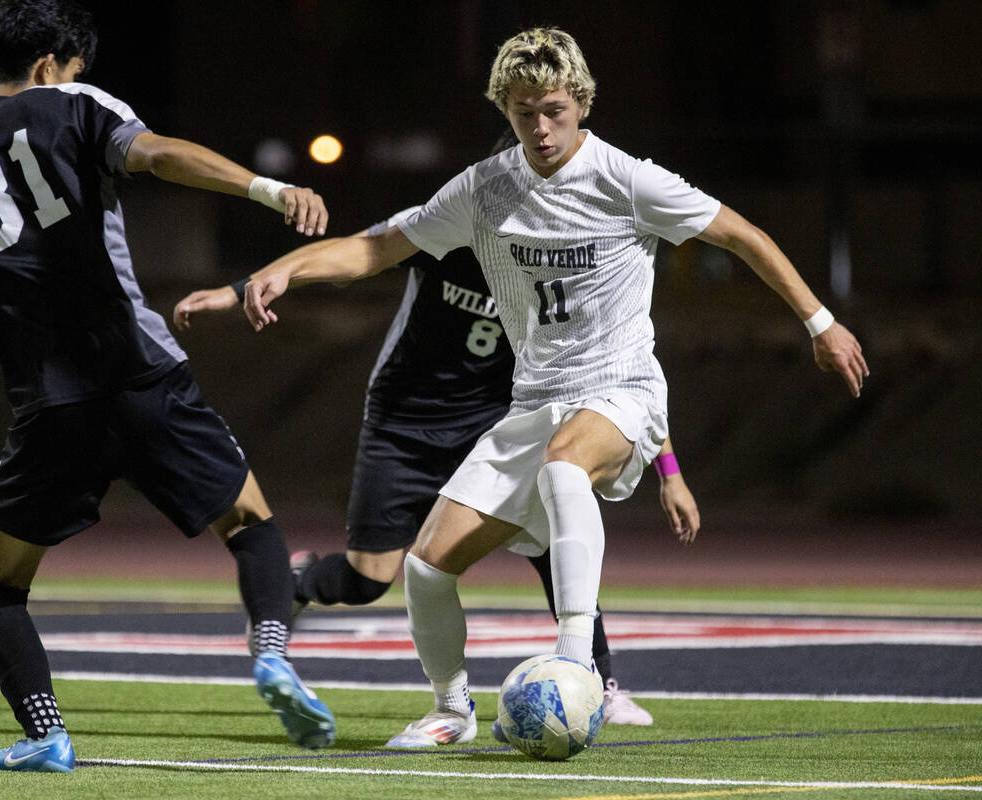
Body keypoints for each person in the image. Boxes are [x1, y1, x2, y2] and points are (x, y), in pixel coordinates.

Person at [233, 26, 868, 748]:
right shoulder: (484, 188)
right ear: (505, 108)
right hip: (532, 403)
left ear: (583, 104)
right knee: (425, 567)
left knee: (566, 469)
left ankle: (578, 669)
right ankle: (451, 711)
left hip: (620, 388)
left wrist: (821, 324)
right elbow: (378, 247)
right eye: (525, 110)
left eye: (555, 109)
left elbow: (742, 235)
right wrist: (287, 268)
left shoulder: (628, 180)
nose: (540, 126)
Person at [0, 0, 335, 771]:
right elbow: (157, 156)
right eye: (72, 67)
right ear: (47, 65)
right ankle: (268, 654)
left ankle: (45, 734)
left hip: (49, 402)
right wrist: (265, 190)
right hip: (140, 373)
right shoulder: (73, 106)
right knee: (253, 526)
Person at [175, 202, 699, 730]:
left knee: (552, 541)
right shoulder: (454, 218)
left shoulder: (563, 251)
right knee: (369, 578)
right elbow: (355, 249)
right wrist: (245, 286)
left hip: (497, 422)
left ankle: (599, 684)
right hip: (405, 423)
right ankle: (301, 582)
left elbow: (622, 374)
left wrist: (669, 471)